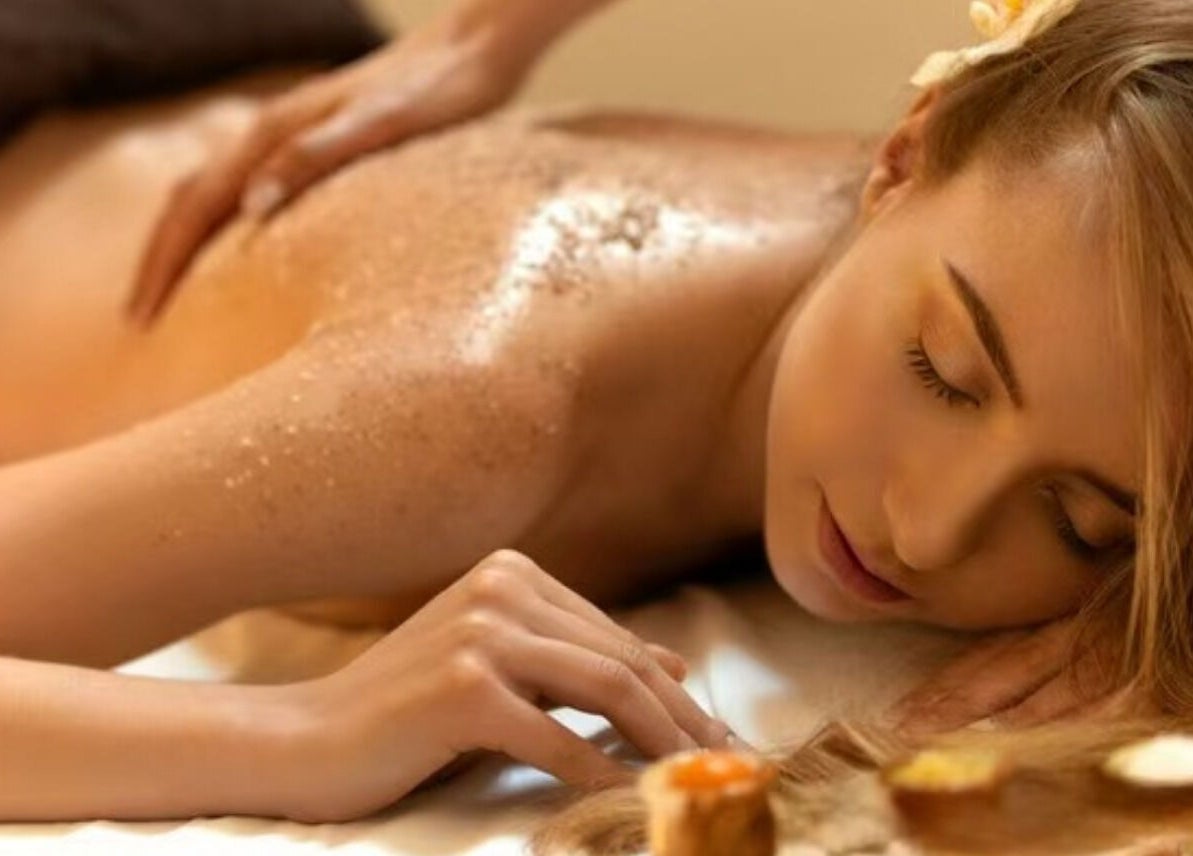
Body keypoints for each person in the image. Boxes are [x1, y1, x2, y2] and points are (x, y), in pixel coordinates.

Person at [0, 0, 1182, 832]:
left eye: (1081, 522)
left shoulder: (1040, 214)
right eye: (941, 372)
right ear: (899, 157)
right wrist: (307, 734)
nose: (926, 531)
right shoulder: (469, 409)